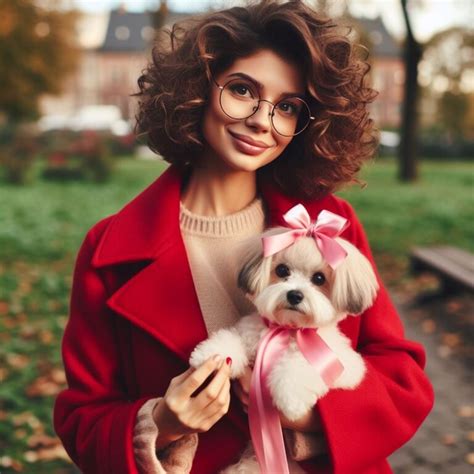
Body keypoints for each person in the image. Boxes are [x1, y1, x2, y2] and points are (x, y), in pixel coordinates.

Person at [53, 1, 434, 473]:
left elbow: (402, 376)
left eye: (288, 107)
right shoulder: (109, 248)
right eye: (241, 90)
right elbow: (82, 419)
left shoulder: (329, 224)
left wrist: (314, 417)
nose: (261, 120)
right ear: (194, 91)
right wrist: (162, 421)